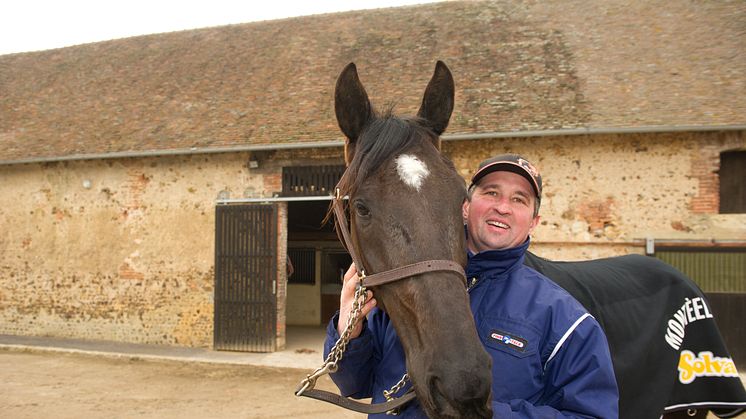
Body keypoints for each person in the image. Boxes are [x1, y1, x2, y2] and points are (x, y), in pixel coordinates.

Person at [324, 154, 619, 418]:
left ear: (534, 222)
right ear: (465, 207)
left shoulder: (566, 320)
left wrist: (480, 412)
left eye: (519, 200)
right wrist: (350, 333)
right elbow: (353, 384)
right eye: (492, 193)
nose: (503, 207)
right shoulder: (405, 285)